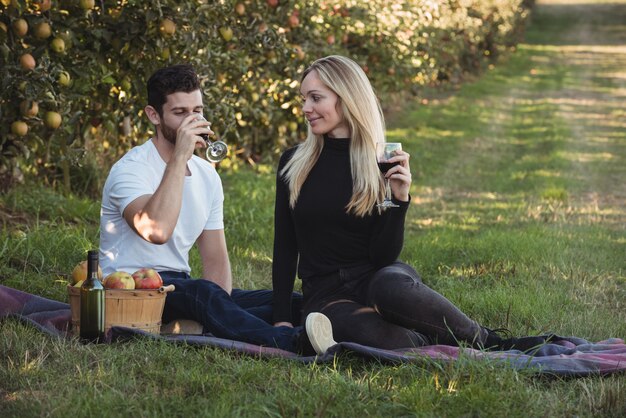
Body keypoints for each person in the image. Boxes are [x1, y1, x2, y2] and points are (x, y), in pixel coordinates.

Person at [271, 55, 550, 352]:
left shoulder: (379, 163)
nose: (305, 109)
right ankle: (424, 340)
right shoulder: (294, 164)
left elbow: (382, 257)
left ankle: (492, 342)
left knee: (391, 289)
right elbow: (286, 247)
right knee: (389, 340)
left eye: (315, 98)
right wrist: (282, 319)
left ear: (347, 97)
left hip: (379, 278)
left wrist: (399, 199)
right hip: (327, 296)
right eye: (304, 98)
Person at [99, 63, 335, 355]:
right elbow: (156, 230)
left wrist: (219, 307)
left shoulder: (206, 175)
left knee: (289, 303)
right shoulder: (130, 169)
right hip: (132, 291)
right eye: (180, 113)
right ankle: (295, 343)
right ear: (153, 116)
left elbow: (215, 261)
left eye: (197, 111)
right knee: (203, 295)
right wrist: (179, 157)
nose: (192, 120)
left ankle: (208, 323)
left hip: (181, 288)